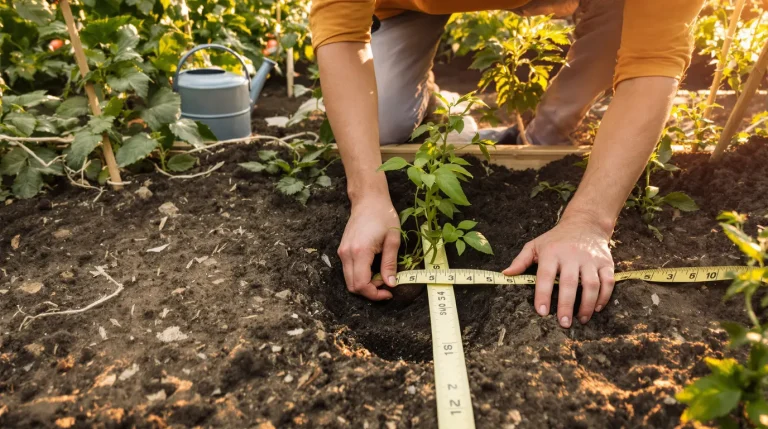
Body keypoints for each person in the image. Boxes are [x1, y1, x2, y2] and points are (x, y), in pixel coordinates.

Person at [309, 0, 705, 328]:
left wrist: (589, 220)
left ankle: (545, 135)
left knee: (619, 17)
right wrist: (366, 196)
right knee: (383, 125)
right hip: (408, 6)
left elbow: (654, 61)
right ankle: (428, 106)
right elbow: (339, 29)